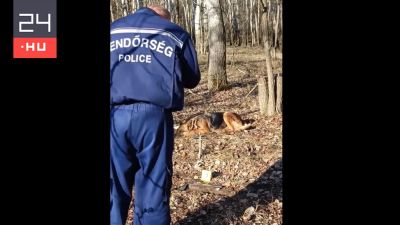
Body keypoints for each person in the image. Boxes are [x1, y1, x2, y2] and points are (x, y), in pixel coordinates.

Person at [110, 5, 201, 225]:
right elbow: (192, 78)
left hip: (115, 117)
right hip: (154, 118)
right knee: (153, 182)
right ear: (163, 17)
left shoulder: (113, 30)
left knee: (114, 183)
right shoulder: (174, 32)